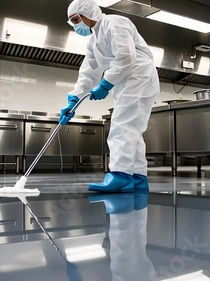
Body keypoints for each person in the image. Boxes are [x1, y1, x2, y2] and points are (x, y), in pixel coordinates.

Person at [59, 0, 160, 192]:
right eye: (71, 22)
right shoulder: (93, 41)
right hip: (129, 82)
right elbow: (88, 73)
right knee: (132, 129)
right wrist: (73, 99)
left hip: (138, 76)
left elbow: (126, 57)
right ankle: (137, 177)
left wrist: (105, 84)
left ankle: (120, 175)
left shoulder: (115, 22)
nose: (75, 25)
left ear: (87, 12)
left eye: (76, 19)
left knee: (122, 126)